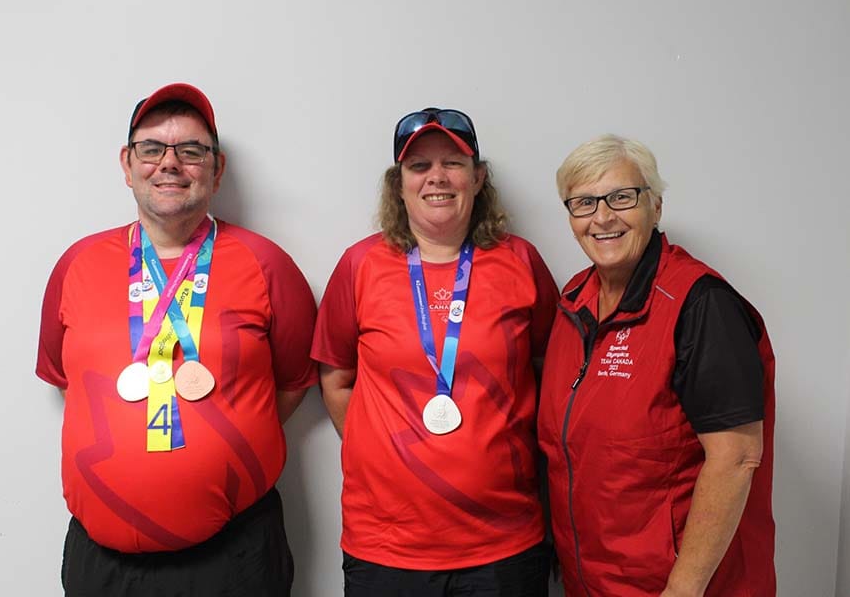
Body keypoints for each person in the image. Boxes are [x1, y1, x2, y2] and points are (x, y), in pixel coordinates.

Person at [36, 83, 317, 596]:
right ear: (127, 164)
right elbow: (65, 381)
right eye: (151, 148)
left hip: (234, 557)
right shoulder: (76, 264)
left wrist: (224, 440)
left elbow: (294, 383)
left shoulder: (268, 264)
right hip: (101, 564)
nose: (170, 163)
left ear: (217, 168)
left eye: (191, 150)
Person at [312, 108, 560, 596]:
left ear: (478, 177)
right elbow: (336, 379)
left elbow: (550, 372)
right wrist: (385, 453)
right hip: (387, 545)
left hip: (503, 543)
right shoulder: (360, 265)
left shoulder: (520, 260)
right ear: (399, 184)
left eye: (453, 163)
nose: (437, 177)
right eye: (419, 166)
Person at [538, 134, 776, 596]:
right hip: (594, 581)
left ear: (656, 206)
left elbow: (736, 458)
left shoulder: (701, 305)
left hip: (675, 586)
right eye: (584, 203)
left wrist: (682, 589)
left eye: (622, 197)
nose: (602, 217)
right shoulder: (572, 301)